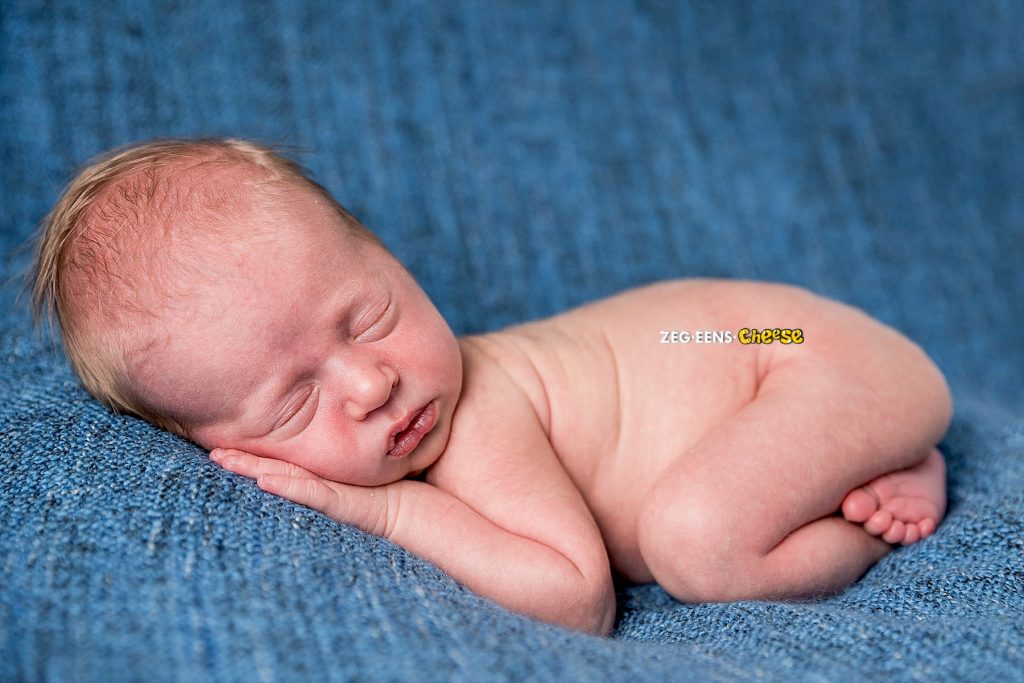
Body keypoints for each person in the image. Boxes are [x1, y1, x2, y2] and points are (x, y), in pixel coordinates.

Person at [31, 138, 951, 637]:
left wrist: (394, 517)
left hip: (790, 350)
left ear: (394, 258)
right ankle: (862, 446)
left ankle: (879, 495)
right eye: (293, 402)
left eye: (369, 317)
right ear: (221, 449)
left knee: (696, 543)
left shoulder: (480, 414)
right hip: (772, 349)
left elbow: (578, 598)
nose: (370, 380)